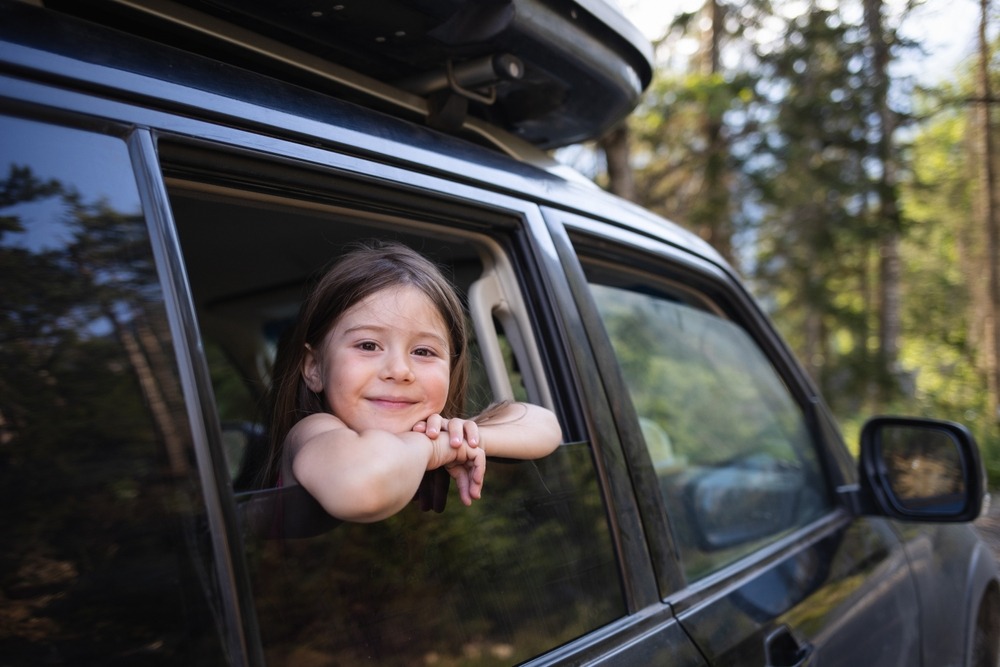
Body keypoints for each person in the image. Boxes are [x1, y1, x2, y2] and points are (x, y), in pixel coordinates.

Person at [263, 241, 562, 523]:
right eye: (368, 345)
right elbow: (361, 484)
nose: (399, 370)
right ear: (314, 368)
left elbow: (544, 426)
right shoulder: (312, 433)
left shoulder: (439, 435)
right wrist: (435, 450)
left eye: (423, 351)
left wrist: (457, 440)